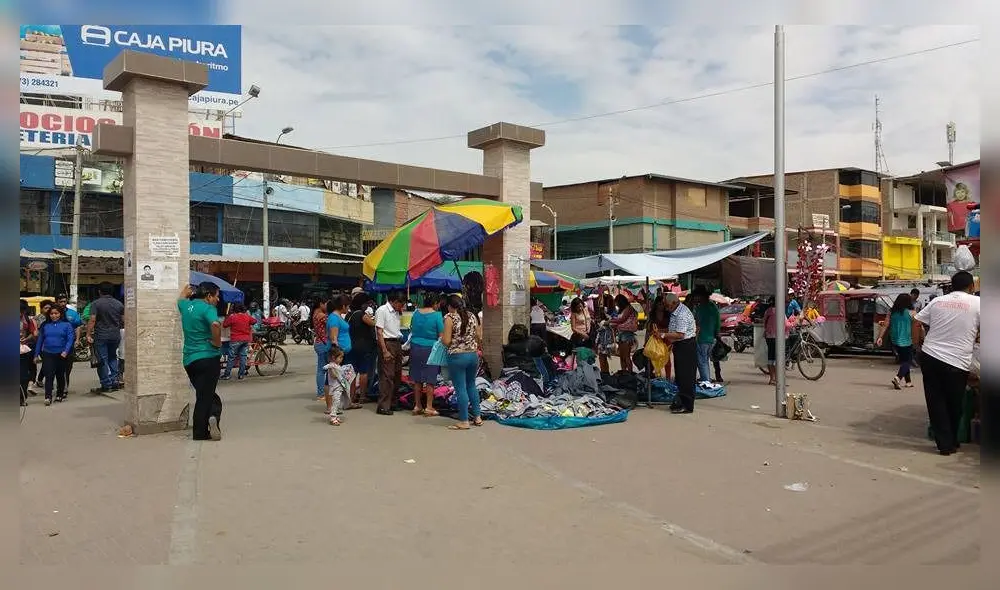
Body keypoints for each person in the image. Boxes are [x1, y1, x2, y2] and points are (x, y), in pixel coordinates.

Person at [914, 271, 979, 456]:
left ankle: (946, 444)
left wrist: (916, 345)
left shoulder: (937, 301)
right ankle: (951, 442)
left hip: (931, 356)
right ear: (971, 286)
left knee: (936, 402)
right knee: (954, 403)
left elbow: (916, 321)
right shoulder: (977, 303)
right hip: (957, 362)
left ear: (951, 286)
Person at [178, 282, 223, 441]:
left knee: (204, 394)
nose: (218, 300)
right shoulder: (208, 308)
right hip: (208, 357)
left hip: (189, 360)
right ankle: (203, 429)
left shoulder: (185, 307)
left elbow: (181, 297)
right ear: (208, 296)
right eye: (216, 296)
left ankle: (209, 420)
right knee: (206, 397)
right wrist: (217, 343)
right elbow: (216, 325)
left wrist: (188, 290)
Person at [442, 294, 483, 430]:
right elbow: (479, 336)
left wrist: (442, 338)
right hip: (473, 355)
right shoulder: (472, 315)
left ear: (450, 306)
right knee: (471, 385)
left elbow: (447, 341)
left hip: (457, 357)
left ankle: (464, 420)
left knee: (460, 388)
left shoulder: (450, 317)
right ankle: (477, 417)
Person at [408, 293, 444, 416]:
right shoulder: (437, 315)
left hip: (415, 347)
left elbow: (412, 329)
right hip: (430, 349)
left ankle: (417, 405)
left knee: (417, 379)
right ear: (435, 304)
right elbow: (441, 335)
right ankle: (429, 407)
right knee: (430, 379)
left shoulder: (416, 313)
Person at [660, 293, 697, 414]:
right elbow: (673, 330)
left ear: (674, 303)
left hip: (686, 345)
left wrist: (663, 335)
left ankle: (687, 405)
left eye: (667, 305)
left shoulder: (681, 314)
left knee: (686, 376)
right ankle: (681, 401)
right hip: (680, 345)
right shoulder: (675, 312)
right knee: (681, 376)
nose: (666, 308)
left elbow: (680, 334)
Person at [85, 281, 125, 393]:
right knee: (113, 357)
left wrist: (88, 334)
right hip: (115, 335)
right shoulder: (119, 304)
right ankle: (114, 381)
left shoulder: (96, 304)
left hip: (101, 335)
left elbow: (92, 319)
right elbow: (124, 320)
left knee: (102, 360)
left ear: (99, 291)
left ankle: (106, 384)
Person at [34, 304, 75, 406]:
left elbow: (70, 339)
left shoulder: (67, 325)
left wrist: (65, 351)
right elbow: (40, 340)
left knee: (60, 375)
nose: (54, 315)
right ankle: (48, 396)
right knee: (49, 375)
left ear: (60, 314)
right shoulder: (45, 325)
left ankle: (59, 394)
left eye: (56, 313)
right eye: (52, 314)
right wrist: (36, 354)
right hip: (48, 353)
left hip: (62, 354)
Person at [875, 294, 918, 389]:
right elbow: (916, 327)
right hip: (907, 340)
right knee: (908, 361)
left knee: (904, 360)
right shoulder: (912, 312)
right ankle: (898, 378)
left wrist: (880, 337)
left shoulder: (891, 312)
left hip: (895, 340)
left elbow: (885, 325)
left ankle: (908, 382)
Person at [374, 291, 406, 415]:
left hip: (396, 342)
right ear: (395, 301)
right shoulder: (382, 310)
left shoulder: (397, 312)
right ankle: (383, 405)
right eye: (401, 304)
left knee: (397, 374)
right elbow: (379, 332)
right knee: (387, 375)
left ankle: (393, 402)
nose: (402, 307)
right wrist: (384, 350)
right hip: (387, 343)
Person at [346, 291, 377, 405]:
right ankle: (363, 396)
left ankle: (352, 396)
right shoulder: (361, 314)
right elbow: (374, 324)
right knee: (363, 372)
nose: (368, 306)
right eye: (367, 303)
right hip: (363, 346)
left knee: (352, 372)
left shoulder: (350, 314)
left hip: (351, 345)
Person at [691, 286, 721, 384]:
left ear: (701, 296)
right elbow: (718, 323)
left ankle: (706, 380)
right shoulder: (713, 307)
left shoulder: (700, 308)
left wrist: (695, 337)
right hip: (711, 338)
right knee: (705, 360)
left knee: (702, 361)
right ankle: (706, 378)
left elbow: (697, 324)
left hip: (702, 338)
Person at [54, 294, 82, 394]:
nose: (62, 304)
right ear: (56, 302)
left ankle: (64, 387)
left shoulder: (72, 313)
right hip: (55, 345)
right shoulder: (53, 313)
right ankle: (59, 386)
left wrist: (77, 340)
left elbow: (77, 326)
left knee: (67, 367)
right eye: (60, 301)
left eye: (64, 301)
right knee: (57, 367)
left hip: (69, 345)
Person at [322, 345, 356, 426]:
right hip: (335, 388)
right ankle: (333, 417)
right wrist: (339, 373)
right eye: (340, 357)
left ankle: (335, 416)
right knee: (336, 402)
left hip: (339, 387)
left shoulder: (337, 366)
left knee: (338, 402)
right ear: (334, 357)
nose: (342, 359)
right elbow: (333, 375)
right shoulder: (332, 366)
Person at [222, 303, 256, 380]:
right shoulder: (247, 316)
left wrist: (227, 316)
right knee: (243, 357)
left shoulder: (233, 317)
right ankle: (241, 375)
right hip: (245, 339)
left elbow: (224, 325)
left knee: (231, 357)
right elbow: (254, 321)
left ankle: (227, 375)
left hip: (235, 340)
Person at [609, 294, 639, 374]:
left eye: (617, 302)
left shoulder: (628, 308)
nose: (616, 305)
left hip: (627, 334)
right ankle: (624, 373)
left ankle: (630, 374)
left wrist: (610, 321)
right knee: (622, 356)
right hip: (621, 333)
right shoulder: (622, 310)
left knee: (626, 356)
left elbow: (622, 319)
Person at [311, 299, 331, 401]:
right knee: (322, 370)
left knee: (321, 369)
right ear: (321, 304)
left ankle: (322, 392)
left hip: (319, 343)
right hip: (323, 343)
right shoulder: (322, 316)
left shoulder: (316, 314)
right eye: (326, 303)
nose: (327, 306)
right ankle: (321, 393)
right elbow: (331, 323)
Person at [20, 300, 38, 406]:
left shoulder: (28, 320)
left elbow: (34, 333)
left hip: (23, 350)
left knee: (23, 376)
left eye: (21, 311)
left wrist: (26, 339)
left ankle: (21, 398)